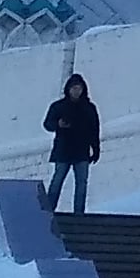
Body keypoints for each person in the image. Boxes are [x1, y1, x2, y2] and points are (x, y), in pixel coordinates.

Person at [42, 71, 101, 216]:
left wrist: (96, 148)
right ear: (68, 89)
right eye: (74, 88)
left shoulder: (89, 108)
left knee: (81, 184)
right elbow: (47, 124)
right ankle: (49, 211)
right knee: (57, 181)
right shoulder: (59, 106)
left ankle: (79, 214)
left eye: (79, 88)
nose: (76, 91)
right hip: (64, 149)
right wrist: (58, 124)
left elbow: (94, 129)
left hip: (81, 150)